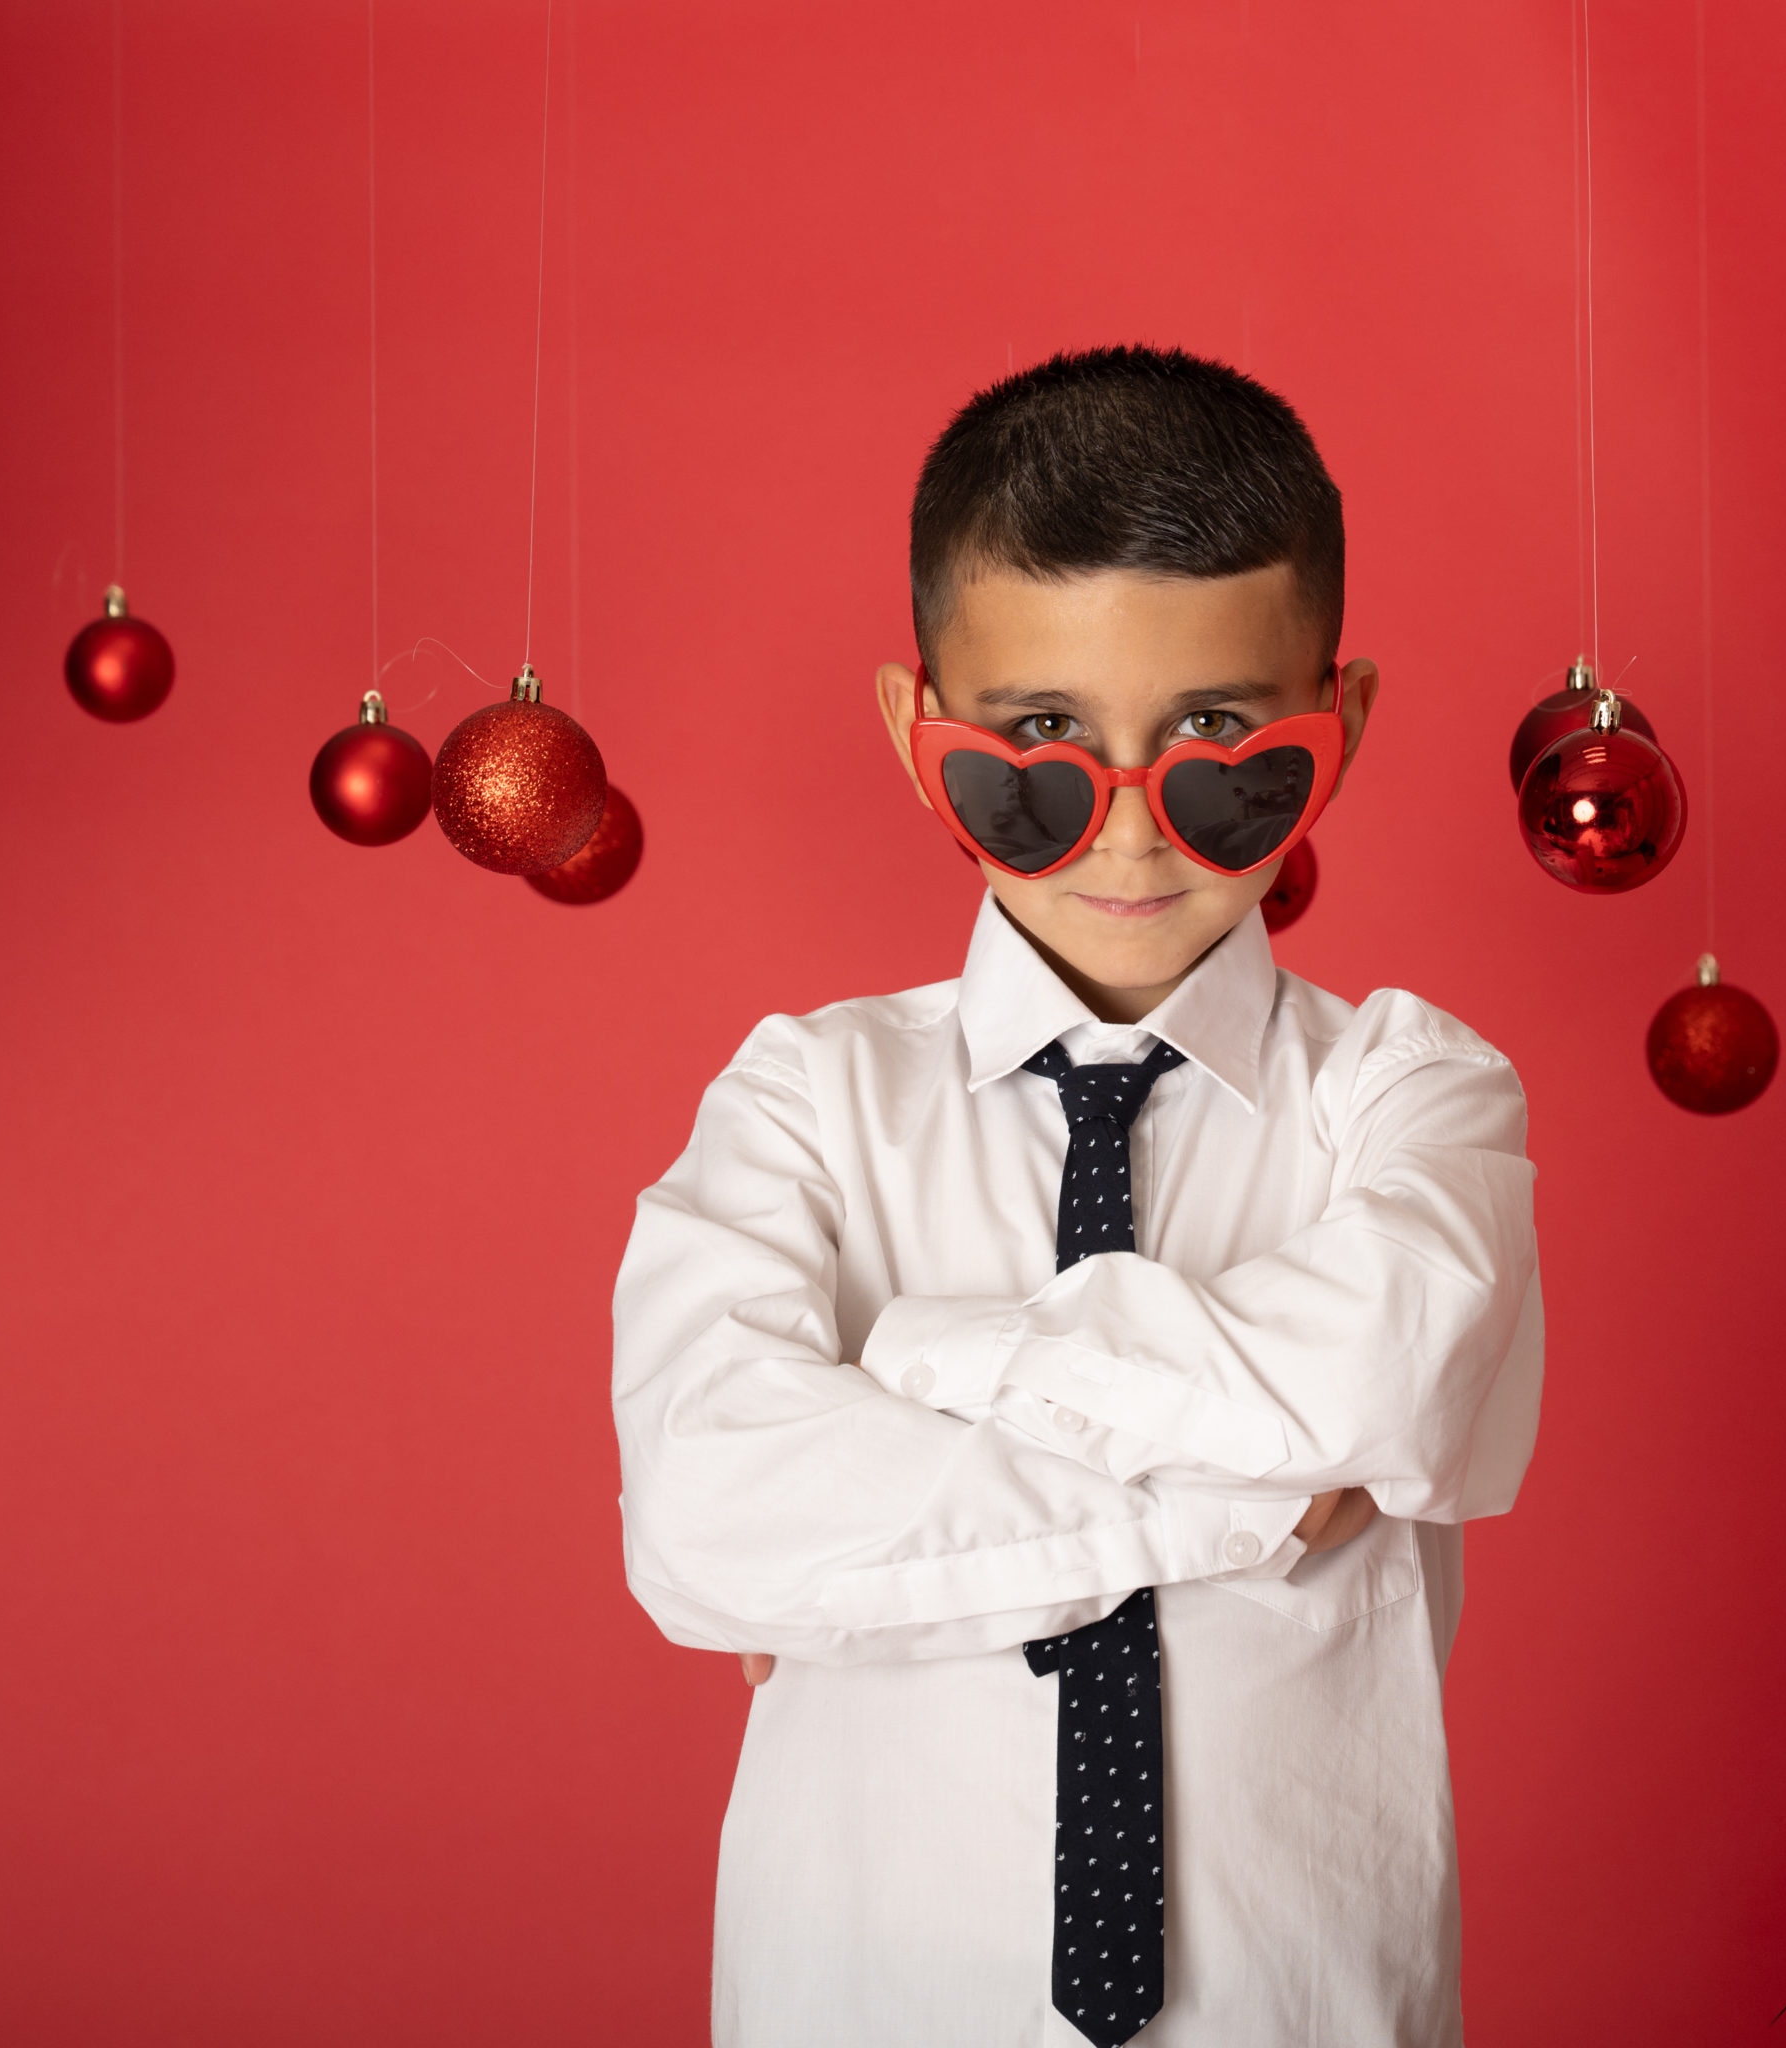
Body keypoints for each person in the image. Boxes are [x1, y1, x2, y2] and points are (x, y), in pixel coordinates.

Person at [612, 345, 1543, 2047]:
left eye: (1218, 745)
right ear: (918, 730)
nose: (1128, 834)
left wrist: (914, 1366)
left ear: (1338, 726)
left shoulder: (1410, 1095)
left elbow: (1374, 1378)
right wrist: (1240, 1508)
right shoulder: (805, 1103)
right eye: (1040, 743)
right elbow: (704, 1513)